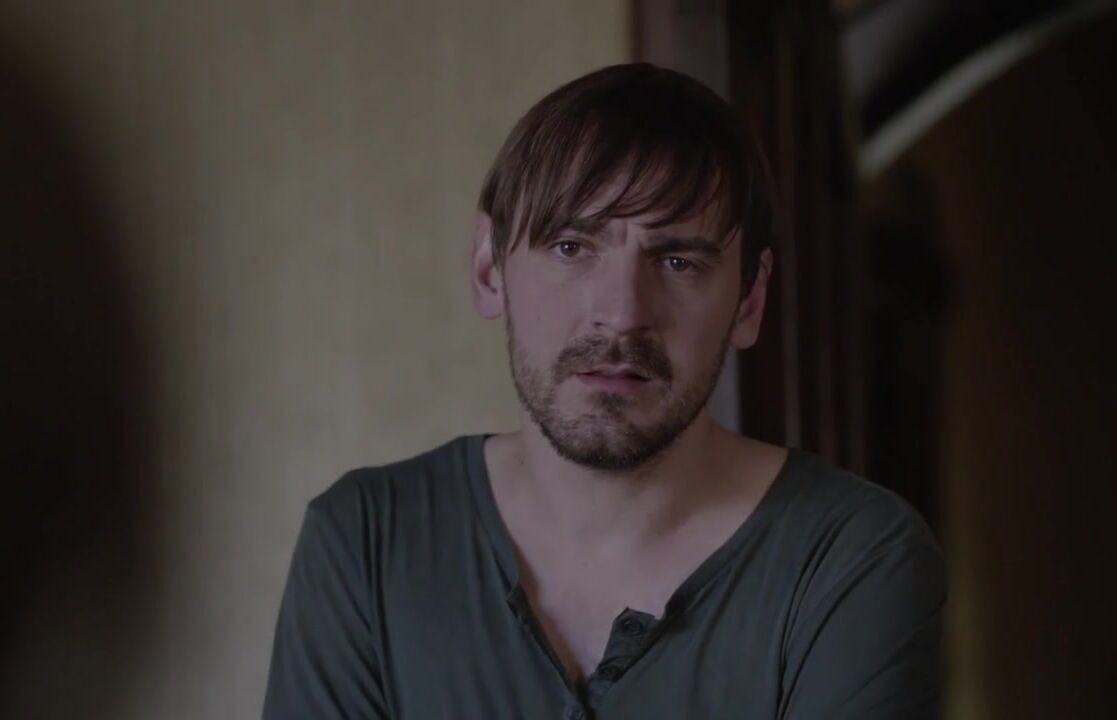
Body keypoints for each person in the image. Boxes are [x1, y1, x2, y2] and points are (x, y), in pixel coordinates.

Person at [262, 63, 946, 719]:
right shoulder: (367, 543)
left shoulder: (852, 559)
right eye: (571, 247)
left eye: (677, 261)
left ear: (749, 300)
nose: (621, 314)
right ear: (488, 268)